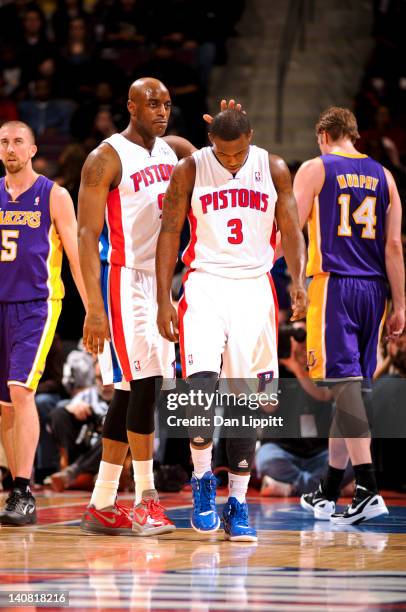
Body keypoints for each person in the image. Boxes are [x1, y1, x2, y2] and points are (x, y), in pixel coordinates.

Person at [77, 77, 228, 536]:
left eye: (167, 104)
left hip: (161, 279)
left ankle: (102, 501)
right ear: (131, 106)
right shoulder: (104, 158)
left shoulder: (177, 148)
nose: (162, 111)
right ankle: (146, 498)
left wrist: (223, 130)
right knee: (143, 386)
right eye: (153, 104)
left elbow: (226, 168)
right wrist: (93, 308)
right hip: (123, 280)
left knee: (130, 392)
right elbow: (85, 236)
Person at [156, 109, 307, 541]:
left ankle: (238, 502)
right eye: (224, 153)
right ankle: (203, 480)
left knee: (248, 402)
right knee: (200, 387)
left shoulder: (273, 166)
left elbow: (291, 225)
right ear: (209, 141)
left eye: (239, 152)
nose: (233, 160)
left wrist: (298, 279)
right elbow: (169, 231)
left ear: (251, 139)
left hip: (254, 290)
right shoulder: (191, 168)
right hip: (204, 285)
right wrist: (165, 296)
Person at [293, 107, 405, 524]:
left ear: (324, 134)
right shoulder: (385, 177)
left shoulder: (316, 167)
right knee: (352, 388)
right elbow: (394, 247)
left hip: (334, 284)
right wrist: (401, 305)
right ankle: (327, 489)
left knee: (344, 387)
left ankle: (367, 487)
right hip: (374, 289)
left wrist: (296, 285)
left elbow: (291, 227)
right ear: (354, 136)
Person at [0, 120, 87, 525]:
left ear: (33, 149)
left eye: (19, 141)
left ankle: (23, 489)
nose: (11, 148)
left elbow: (75, 255)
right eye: (4, 142)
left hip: (37, 304)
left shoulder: (54, 195)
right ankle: (16, 488)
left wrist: (94, 311)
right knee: (4, 408)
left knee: (21, 390)